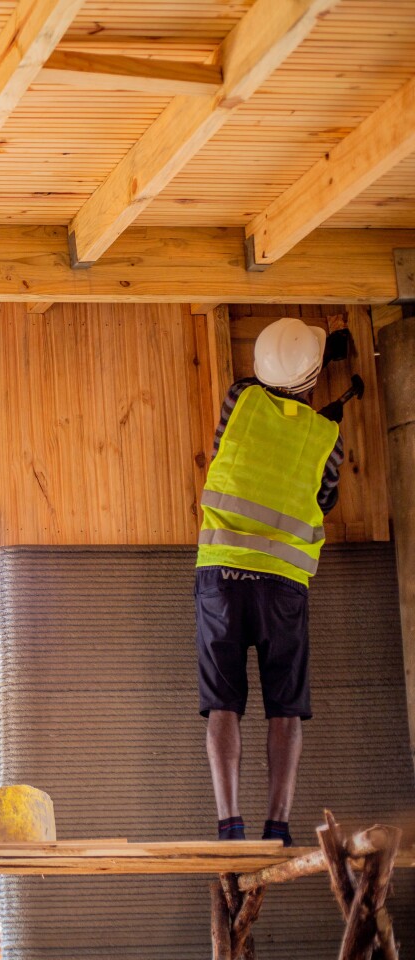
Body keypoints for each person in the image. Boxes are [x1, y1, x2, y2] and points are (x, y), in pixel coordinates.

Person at [195, 317, 358, 846]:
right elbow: (325, 497)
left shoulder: (239, 400)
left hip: (220, 574)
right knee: (285, 707)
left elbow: (268, 395)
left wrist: (318, 363)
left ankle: (229, 826)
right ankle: (278, 827)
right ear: (312, 382)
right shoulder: (327, 437)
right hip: (284, 583)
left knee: (223, 704)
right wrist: (323, 410)